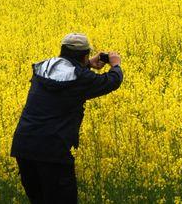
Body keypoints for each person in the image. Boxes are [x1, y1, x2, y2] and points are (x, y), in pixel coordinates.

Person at [10, 33, 123, 204]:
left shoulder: (43, 68)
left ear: (62, 50)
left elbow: (65, 78)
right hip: (51, 150)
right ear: (85, 55)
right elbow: (111, 81)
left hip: (24, 147)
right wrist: (115, 64)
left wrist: (86, 65)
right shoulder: (80, 78)